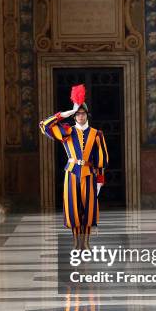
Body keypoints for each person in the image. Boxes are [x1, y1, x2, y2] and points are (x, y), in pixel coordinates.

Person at [39, 94, 109, 248]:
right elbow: (44, 125)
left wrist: (100, 180)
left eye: (82, 113)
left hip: (89, 173)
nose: (80, 116)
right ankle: (76, 242)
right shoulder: (66, 131)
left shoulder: (97, 134)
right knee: (73, 208)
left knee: (89, 208)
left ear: (87, 115)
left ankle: (86, 242)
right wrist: (67, 113)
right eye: (78, 114)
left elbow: (101, 159)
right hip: (71, 173)